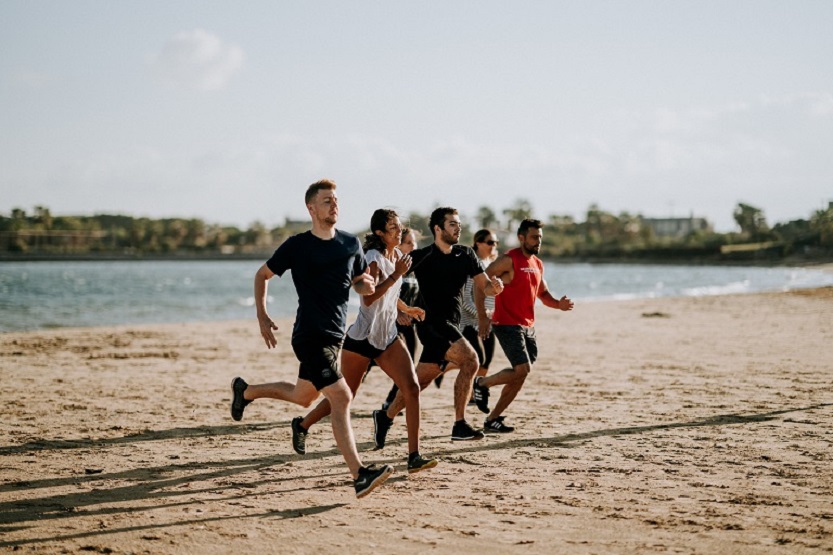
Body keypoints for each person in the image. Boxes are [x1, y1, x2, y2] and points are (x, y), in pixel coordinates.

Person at [229, 179, 394, 498]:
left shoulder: (350, 243)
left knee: (303, 397)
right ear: (311, 208)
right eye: (327, 200)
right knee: (342, 397)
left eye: (336, 199)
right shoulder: (297, 245)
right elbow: (262, 275)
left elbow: (360, 281)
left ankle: (245, 391)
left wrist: (367, 286)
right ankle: (360, 474)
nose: (335, 205)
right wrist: (262, 314)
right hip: (309, 335)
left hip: (335, 336)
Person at [290, 210, 438, 474]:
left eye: (399, 225)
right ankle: (302, 425)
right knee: (346, 396)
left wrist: (405, 309)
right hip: (361, 340)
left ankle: (414, 456)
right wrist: (396, 276)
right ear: (380, 233)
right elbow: (369, 298)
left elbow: (389, 296)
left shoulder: (397, 258)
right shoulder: (373, 259)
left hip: (387, 337)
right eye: (392, 227)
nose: (398, 230)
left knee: (412, 388)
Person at [372, 207, 504, 447]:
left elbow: (484, 286)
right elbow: (389, 283)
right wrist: (400, 310)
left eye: (458, 223)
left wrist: (494, 288)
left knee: (418, 384)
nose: (458, 227)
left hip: (452, 323)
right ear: (438, 229)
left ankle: (385, 416)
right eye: (452, 224)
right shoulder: (422, 256)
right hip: (431, 323)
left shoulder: (465, 254)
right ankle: (459, 424)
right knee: (471, 360)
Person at [471, 218, 574, 433]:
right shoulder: (508, 260)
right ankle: (482, 384)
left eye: (540, 238)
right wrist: (482, 316)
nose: (538, 242)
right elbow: (479, 284)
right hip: (506, 323)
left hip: (527, 325)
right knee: (522, 368)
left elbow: (543, 294)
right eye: (534, 237)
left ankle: (492, 419)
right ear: (521, 238)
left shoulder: (537, 263)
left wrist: (559, 305)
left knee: (521, 373)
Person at [459, 229, 500, 399]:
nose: (494, 246)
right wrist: (482, 314)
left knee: (487, 360)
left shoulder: (492, 265)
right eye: (490, 242)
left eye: (496, 243)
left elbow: (494, 295)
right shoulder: (471, 265)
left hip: (489, 320)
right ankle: (469, 394)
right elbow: (465, 299)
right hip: (469, 322)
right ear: (478, 243)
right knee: (478, 359)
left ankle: (476, 393)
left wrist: (494, 314)